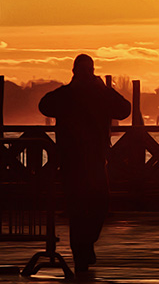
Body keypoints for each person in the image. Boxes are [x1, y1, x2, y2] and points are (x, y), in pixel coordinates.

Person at [38, 54, 131, 271]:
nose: (86, 74)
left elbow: (124, 110)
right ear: (75, 72)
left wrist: (104, 90)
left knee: (100, 204)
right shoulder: (67, 95)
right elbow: (44, 106)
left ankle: (86, 245)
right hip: (73, 160)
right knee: (78, 209)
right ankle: (81, 254)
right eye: (83, 70)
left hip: (96, 159)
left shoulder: (99, 95)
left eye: (89, 70)